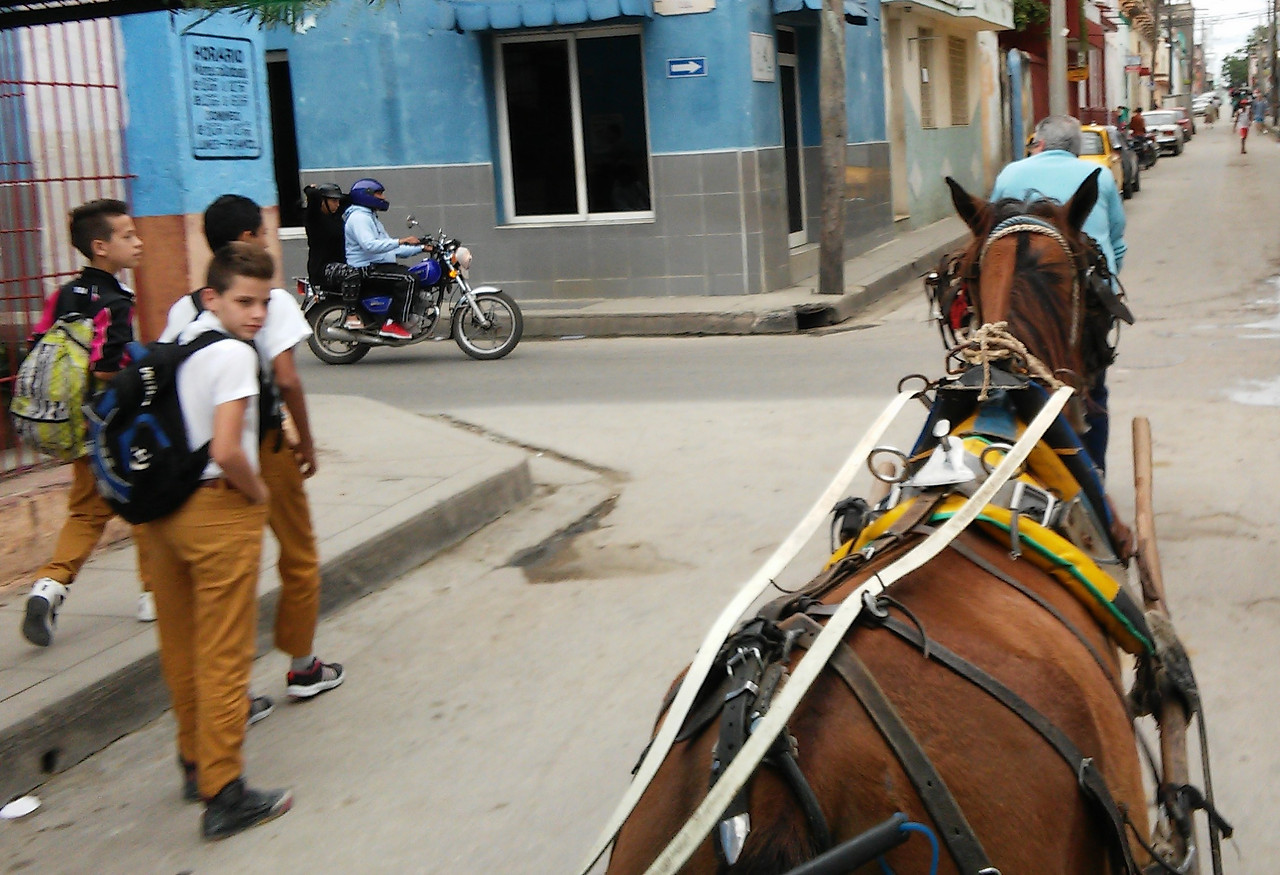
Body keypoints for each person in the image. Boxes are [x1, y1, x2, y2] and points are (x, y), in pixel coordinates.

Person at [159, 194, 344, 713]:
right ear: (244, 239)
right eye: (261, 232)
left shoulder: (185, 306)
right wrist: (305, 441)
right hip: (258, 447)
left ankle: (230, 695)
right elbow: (286, 378)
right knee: (298, 553)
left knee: (219, 587)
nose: (266, 241)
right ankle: (304, 666)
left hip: (199, 460)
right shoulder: (270, 298)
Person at [139, 242, 292, 839]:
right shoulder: (231, 356)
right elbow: (228, 450)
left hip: (161, 517)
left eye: (263, 302)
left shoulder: (175, 342)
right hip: (217, 512)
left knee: (179, 647)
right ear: (213, 298)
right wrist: (258, 495)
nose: (257, 315)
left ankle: (193, 762)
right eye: (244, 301)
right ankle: (224, 793)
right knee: (224, 653)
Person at [20, 198, 158, 647]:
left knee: (86, 511)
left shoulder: (63, 294)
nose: (138, 243)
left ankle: (48, 586)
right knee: (144, 502)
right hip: (111, 424)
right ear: (101, 247)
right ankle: (154, 594)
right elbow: (105, 367)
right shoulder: (116, 301)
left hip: (72, 424)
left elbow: (38, 341)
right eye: (127, 236)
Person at [990, 115, 1127, 472]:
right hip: (1088, 302)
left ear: (1038, 143)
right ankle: (1093, 472)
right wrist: (1107, 283)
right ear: (1076, 149)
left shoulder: (1010, 175)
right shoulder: (1100, 176)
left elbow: (992, 234)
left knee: (1009, 381)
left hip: (1019, 303)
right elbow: (1117, 243)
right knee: (1091, 389)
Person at [343, 177, 426, 340]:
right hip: (366, 268)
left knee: (410, 274)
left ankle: (407, 317)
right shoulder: (359, 218)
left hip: (378, 265)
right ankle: (393, 323)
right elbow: (370, 245)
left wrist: (422, 248)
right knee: (409, 279)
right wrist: (401, 240)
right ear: (365, 195)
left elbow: (392, 248)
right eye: (379, 194)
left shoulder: (371, 217)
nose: (383, 198)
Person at [302, 182, 347, 285]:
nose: (338, 204)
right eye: (334, 201)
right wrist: (310, 189)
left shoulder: (336, 216)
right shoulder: (314, 218)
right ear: (322, 201)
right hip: (322, 269)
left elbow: (349, 199)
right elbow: (313, 197)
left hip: (340, 265)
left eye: (338, 201)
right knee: (352, 274)